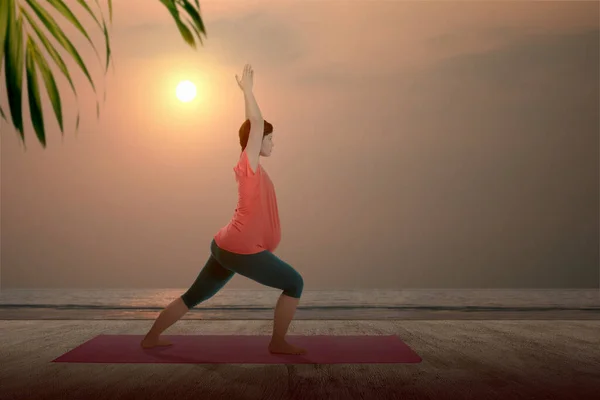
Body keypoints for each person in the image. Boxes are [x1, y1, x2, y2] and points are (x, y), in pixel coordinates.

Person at [140, 64, 307, 355]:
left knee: (193, 296)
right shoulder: (249, 164)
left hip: (225, 246)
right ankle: (278, 343)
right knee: (294, 283)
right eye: (269, 138)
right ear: (256, 142)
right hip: (241, 249)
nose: (272, 142)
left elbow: (250, 126)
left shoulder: (250, 165)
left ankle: (151, 337)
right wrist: (250, 92)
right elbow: (253, 125)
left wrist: (246, 95)